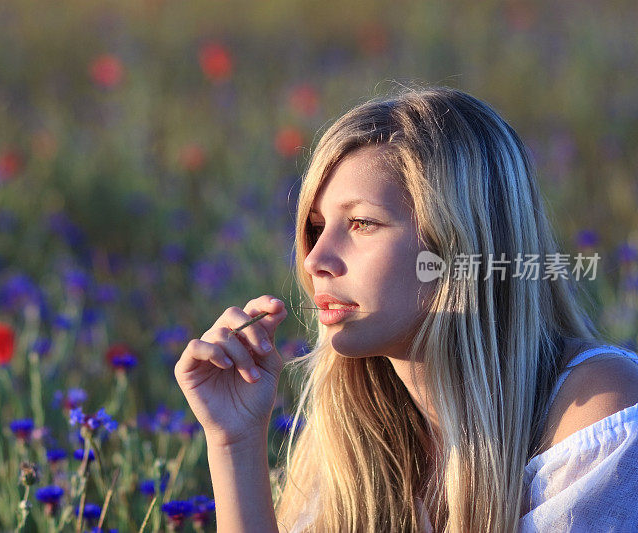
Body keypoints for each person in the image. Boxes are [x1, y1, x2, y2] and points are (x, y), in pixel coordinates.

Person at [174, 86, 638, 532]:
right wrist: (235, 442)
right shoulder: (353, 429)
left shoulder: (595, 406)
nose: (315, 259)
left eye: (360, 223)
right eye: (316, 227)